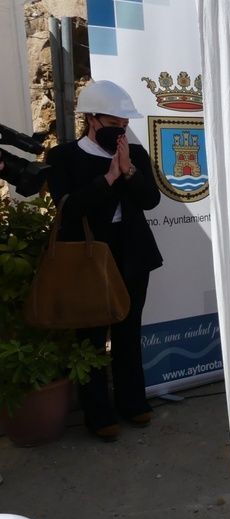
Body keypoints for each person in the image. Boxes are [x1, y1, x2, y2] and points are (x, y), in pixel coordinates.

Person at [45, 80, 163, 442]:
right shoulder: (63, 157)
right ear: (92, 119)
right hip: (89, 256)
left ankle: (132, 401)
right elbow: (69, 209)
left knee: (129, 330)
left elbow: (151, 200)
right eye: (114, 124)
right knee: (92, 335)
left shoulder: (134, 153)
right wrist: (109, 178)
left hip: (133, 253)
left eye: (124, 125)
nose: (120, 131)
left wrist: (128, 171)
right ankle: (97, 414)